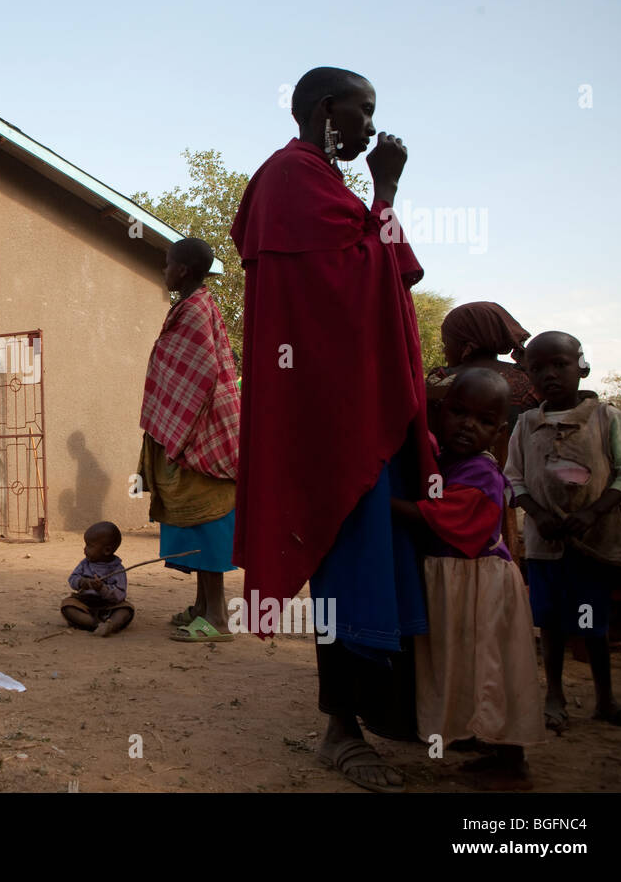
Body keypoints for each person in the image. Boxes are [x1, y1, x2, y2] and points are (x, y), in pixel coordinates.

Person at [230, 67, 437, 792]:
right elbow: (359, 282)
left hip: (356, 403)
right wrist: (385, 191)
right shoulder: (292, 179)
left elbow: (387, 274)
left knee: (379, 552)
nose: (371, 126)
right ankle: (339, 728)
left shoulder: (320, 183)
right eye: (363, 110)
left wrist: (376, 198)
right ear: (326, 110)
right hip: (329, 413)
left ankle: (388, 714)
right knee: (347, 557)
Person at [392, 369, 544, 789]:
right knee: (470, 668)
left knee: (494, 668)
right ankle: (488, 746)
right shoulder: (446, 462)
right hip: (460, 585)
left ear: (499, 430)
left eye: (483, 420)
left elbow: (446, 517)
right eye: (459, 412)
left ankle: (513, 763)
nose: (468, 426)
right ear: (441, 412)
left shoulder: (481, 471)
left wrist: (386, 505)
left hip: (482, 586)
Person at [505, 331, 621, 733]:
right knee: (550, 621)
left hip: (594, 544)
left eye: (560, 365)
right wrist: (537, 514)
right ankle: (554, 696)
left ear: (580, 366)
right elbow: (513, 477)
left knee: (592, 622)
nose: (550, 375)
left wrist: (594, 512)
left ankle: (605, 699)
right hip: (548, 545)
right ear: (527, 374)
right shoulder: (526, 424)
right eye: (537, 368)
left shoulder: (607, 417)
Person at [136, 237, 240, 642]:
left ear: (182, 270)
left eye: (167, 264)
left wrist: (178, 429)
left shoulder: (195, 309)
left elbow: (202, 374)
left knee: (208, 523)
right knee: (195, 526)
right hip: (193, 431)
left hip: (202, 435)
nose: (164, 271)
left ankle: (216, 618)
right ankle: (201, 607)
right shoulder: (194, 304)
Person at [426, 302, 539, 564]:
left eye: (447, 343)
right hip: (521, 500)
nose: (445, 350)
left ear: (466, 346)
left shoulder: (440, 379)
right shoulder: (529, 381)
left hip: (448, 494)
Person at [61, 522, 134, 637]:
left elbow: (120, 595)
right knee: (67, 606)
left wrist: (102, 588)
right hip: (85, 603)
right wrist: (83, 582)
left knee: (126, 609)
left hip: (109, 606)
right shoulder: (85, 564)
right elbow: (72, 579)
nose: (84, 549)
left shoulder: (117, 569)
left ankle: (110, 625)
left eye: (89, 546)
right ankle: (96, 624)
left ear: (107, 550)